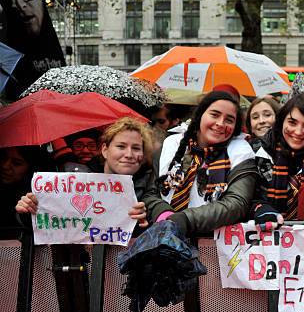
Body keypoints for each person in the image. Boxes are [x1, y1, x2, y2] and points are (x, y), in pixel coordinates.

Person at [141, 91, 258, 236]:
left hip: (212, 245)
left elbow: (236, 204)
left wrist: (185, 220)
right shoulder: (172, 144)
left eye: (229, 120)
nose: (220, 124)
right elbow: (150, 193)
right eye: (214, 115)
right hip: (162, 235)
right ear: (200, 115)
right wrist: (163, 214)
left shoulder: (241, 153)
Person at [16, 117, 155, 229]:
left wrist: (144, 222)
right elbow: (52, 221)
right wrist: (28, 211)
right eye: (121, 146)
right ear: (105, 150)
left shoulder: (150, 182)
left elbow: (156, 212)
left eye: (136, 148)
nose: (129, 154)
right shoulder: (72, 181)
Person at [250, 93, 304, 228]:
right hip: (267, 239)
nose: (298, 131)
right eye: (292, 122)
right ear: (281, 121)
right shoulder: (259, 154)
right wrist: (261, 208)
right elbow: (249, 196)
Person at [1, 146, 50, 228]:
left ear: (31, 167)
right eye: (3, 158)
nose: (5, 166)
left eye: (16, 163)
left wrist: (26, 214)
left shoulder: (39, 196)